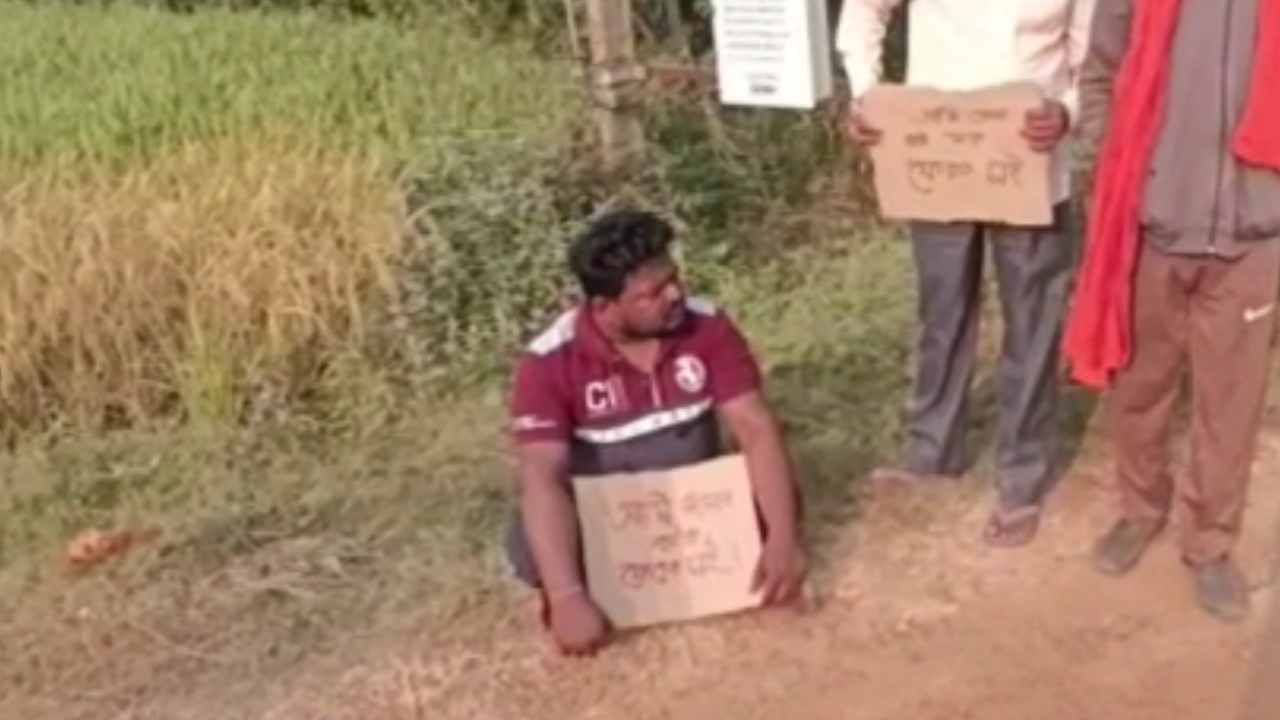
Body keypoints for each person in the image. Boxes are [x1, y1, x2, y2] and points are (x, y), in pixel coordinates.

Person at [836, 0, 1096, 546]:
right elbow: (865, 10)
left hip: (1029, 164)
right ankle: (933, 451)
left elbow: (1092, 59)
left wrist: (1067, 113)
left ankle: (1022, 477)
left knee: (1032, 323)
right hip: (937, 155)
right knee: (942, 312)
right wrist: (868, 94)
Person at [504, 209, 807, 655]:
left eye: (674, 279)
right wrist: (567, 597)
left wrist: (784, 538)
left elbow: (755, 429)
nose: (675, 295)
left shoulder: (708, 327)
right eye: (653, 293)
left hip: (699, 507)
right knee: (531, 545)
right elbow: (543, 477)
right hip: (610, 516)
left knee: (782, 498)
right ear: (604, 307)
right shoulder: (548, 362)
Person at [1067, 0, 1280, 622]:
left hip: (1253, 235)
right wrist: (1117, 163)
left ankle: (1211, 544)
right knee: (1140, 386)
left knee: (1230, 402)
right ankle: (1140, 509)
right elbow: (1101, 69)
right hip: (1154, 223)